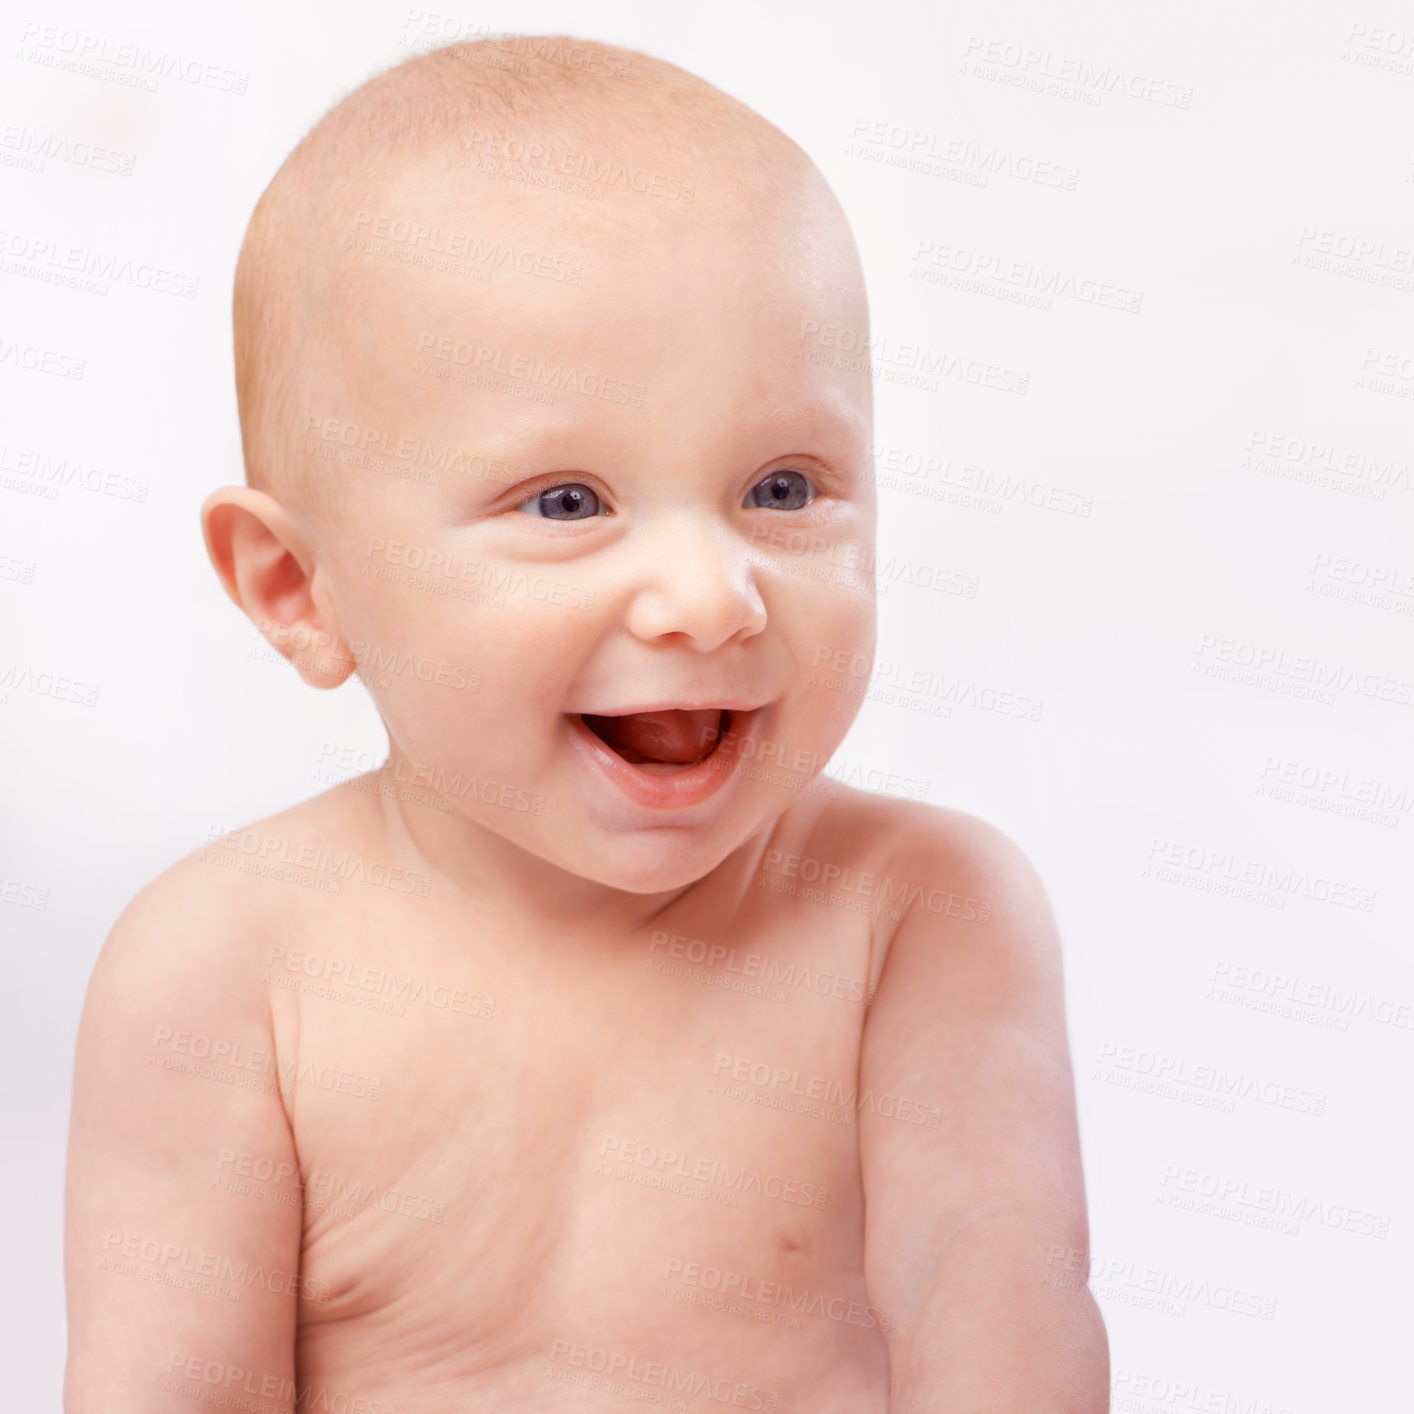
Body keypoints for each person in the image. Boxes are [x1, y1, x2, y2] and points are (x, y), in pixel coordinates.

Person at [64, 34, 1107, 1413]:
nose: (707, 594)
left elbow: (996, 1303)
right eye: (567, 503)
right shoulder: (223, 966)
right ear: (299, 588)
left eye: (783, 488)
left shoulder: (914, 915)